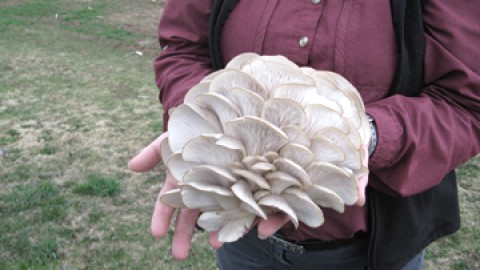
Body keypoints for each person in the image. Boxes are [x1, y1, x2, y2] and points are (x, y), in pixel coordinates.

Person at [129, 1, 480, 269]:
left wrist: (364, 136)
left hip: (370, 252)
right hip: (241, 242)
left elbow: (465, 100)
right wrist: (202, 128)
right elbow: (183, 49)